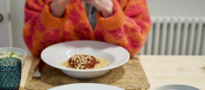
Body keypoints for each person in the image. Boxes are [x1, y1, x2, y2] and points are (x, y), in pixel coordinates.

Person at [23, 0, 151, 57]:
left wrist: (108, 8)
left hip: (114, 77)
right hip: (55, 76)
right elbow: (36, 49)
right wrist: (55, 8)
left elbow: (135, 45)